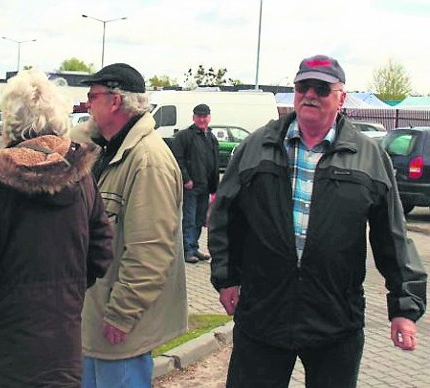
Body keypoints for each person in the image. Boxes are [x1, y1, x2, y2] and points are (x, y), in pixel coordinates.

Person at [208, 54, 427, 387]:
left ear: (341, 97)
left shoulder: (369, 157)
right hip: (262, 315)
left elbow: (393, 236)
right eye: (302, 86)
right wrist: (226, 277)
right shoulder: (256, 146)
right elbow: (224, 216)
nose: (310, 94)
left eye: (321, 88)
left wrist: (404, 306)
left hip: (335, 321)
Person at [0, 69, 114, 387]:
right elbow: (102, 250)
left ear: (10, 121)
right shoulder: (81, 175)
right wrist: (68, 290)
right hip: (59, 344)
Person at [78, 63, 188, 387]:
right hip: (94, 319)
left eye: (92, 96)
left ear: (115, 101)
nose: (87, 104)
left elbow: (150, 250)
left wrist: (122, 314)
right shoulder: (106, 149)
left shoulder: (148, 160)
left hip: (119, 328)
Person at [172, 103, 219, 263]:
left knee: (200, 219)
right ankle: (188, 250)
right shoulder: (184, 136)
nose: (202, 119)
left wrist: (215, 187)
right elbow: (178, 159)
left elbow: (214, 162)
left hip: (205, 186)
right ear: (193, 118)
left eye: (205, 116)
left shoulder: (211, 138)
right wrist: (186, 179)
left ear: (209, 117)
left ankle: (195, 247)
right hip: (191, 186)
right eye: (199, 116)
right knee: (189, 219)